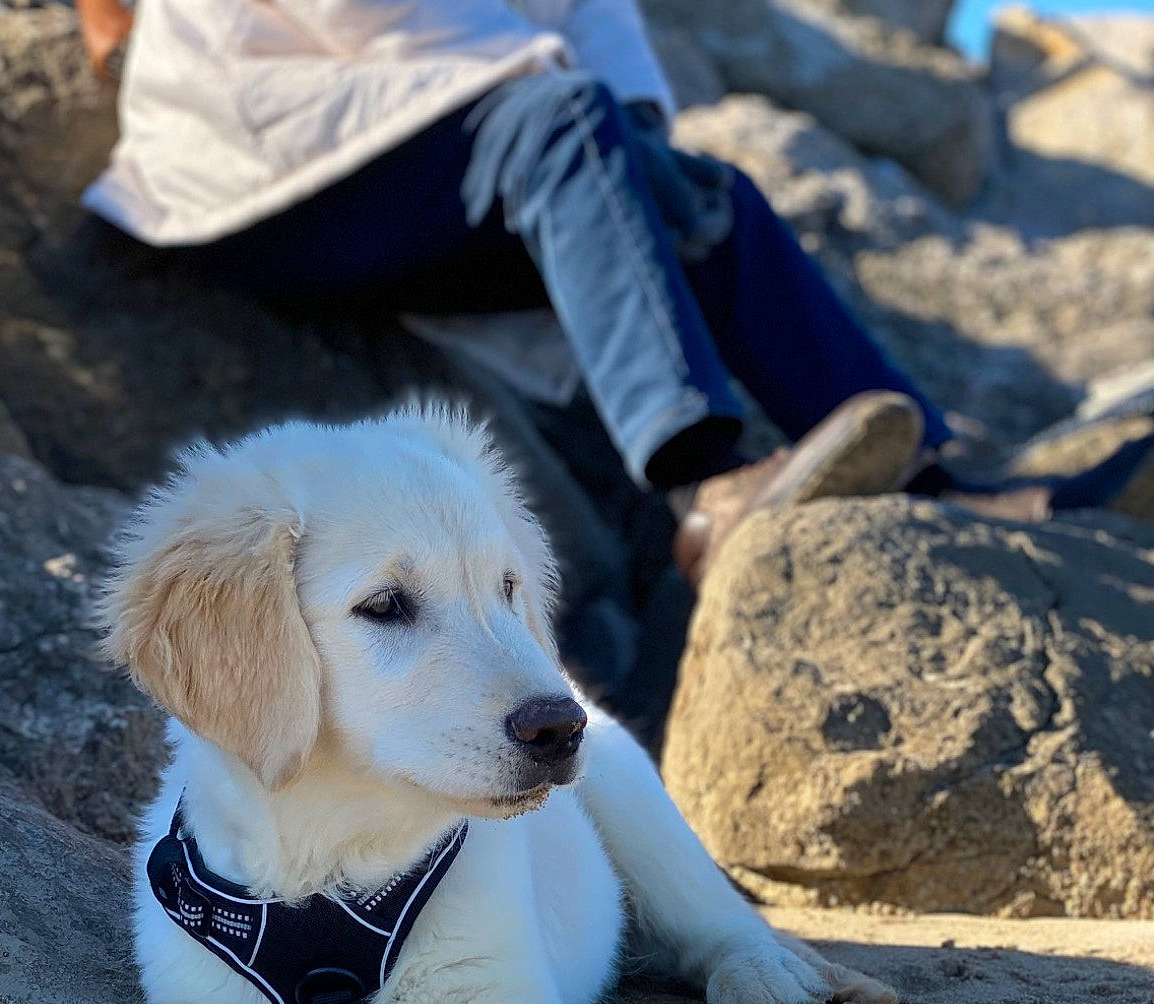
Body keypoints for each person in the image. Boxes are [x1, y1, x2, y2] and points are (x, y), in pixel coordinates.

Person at [74, 0, 1153, 585]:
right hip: (272, 165)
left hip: (442, 131)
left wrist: (641, 148)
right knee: (565, 121)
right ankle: (705, 482)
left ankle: (932, 483)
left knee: (708, 196)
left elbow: (593, 20)